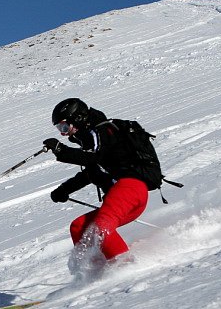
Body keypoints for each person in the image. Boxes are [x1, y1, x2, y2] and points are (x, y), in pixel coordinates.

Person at [42, 98, 155, 263]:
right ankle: (96, 272)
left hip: (130, 188)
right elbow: (91, 172)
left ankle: (126, 269)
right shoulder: (94, 141)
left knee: (100, 227)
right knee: (79, 227)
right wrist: (64, 190)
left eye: (64, 127)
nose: (64, 133)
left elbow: (93, 158)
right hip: (121, 198)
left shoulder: (102, 131)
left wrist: (61, 151)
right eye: (60, 129)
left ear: (77, 118)